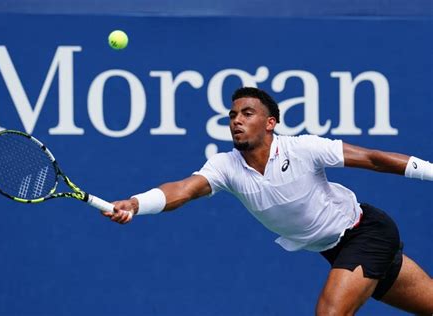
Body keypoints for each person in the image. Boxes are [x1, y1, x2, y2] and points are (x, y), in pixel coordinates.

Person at [102, 87, 433, 315]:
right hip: (334, 248)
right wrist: (136, 203)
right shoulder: (225, 166)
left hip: (365, 232)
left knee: (330, 312)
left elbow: (373, 158)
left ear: (270, 123)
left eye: (247, 113)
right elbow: (183, 190)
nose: (236, 120)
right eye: (232, 115)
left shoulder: (302, 149)